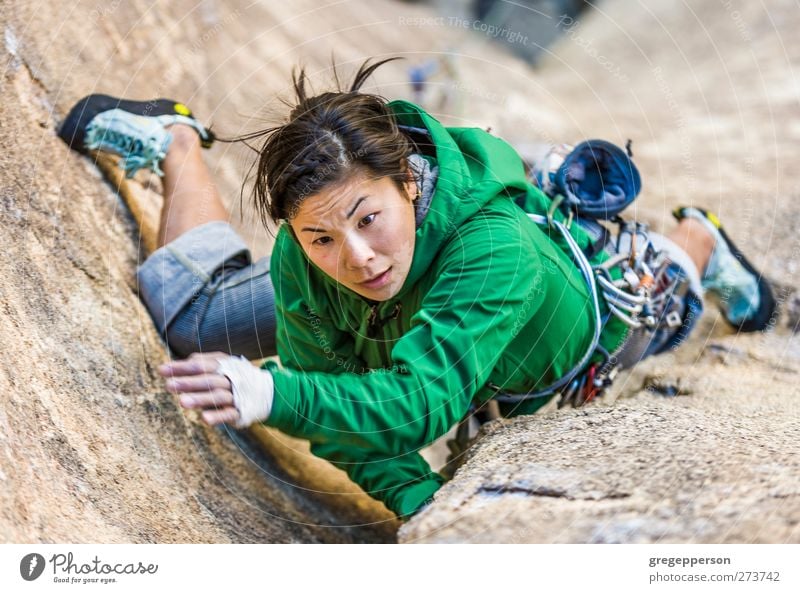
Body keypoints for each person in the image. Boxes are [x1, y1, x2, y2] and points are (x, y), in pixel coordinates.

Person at [57, 58, 776, 518]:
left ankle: (697, 237)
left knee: (668, 309)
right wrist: (425, 503)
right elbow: (342, 416)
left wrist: (272, 393)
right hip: (401, 324)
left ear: (407, 181)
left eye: (370, 218)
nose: (360, 258)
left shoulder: (495, 249)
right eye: (322, 238)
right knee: (198, 319)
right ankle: (179, 139)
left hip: (582, 321)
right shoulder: (309, 257)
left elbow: (417, 406)